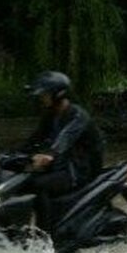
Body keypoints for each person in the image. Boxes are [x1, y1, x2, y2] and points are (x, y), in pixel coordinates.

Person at [20, 71, 104, 233]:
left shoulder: (78, 116)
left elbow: (66, 137)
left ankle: (44, 234)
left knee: (38, 186)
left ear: (58, 94)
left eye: (45, 95)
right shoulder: (50, 115)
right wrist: (11, 155)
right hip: (61, 166)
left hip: (79, 170)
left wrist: (50, 154)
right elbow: (35, 139)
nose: (42, 99)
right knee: (22, 182)